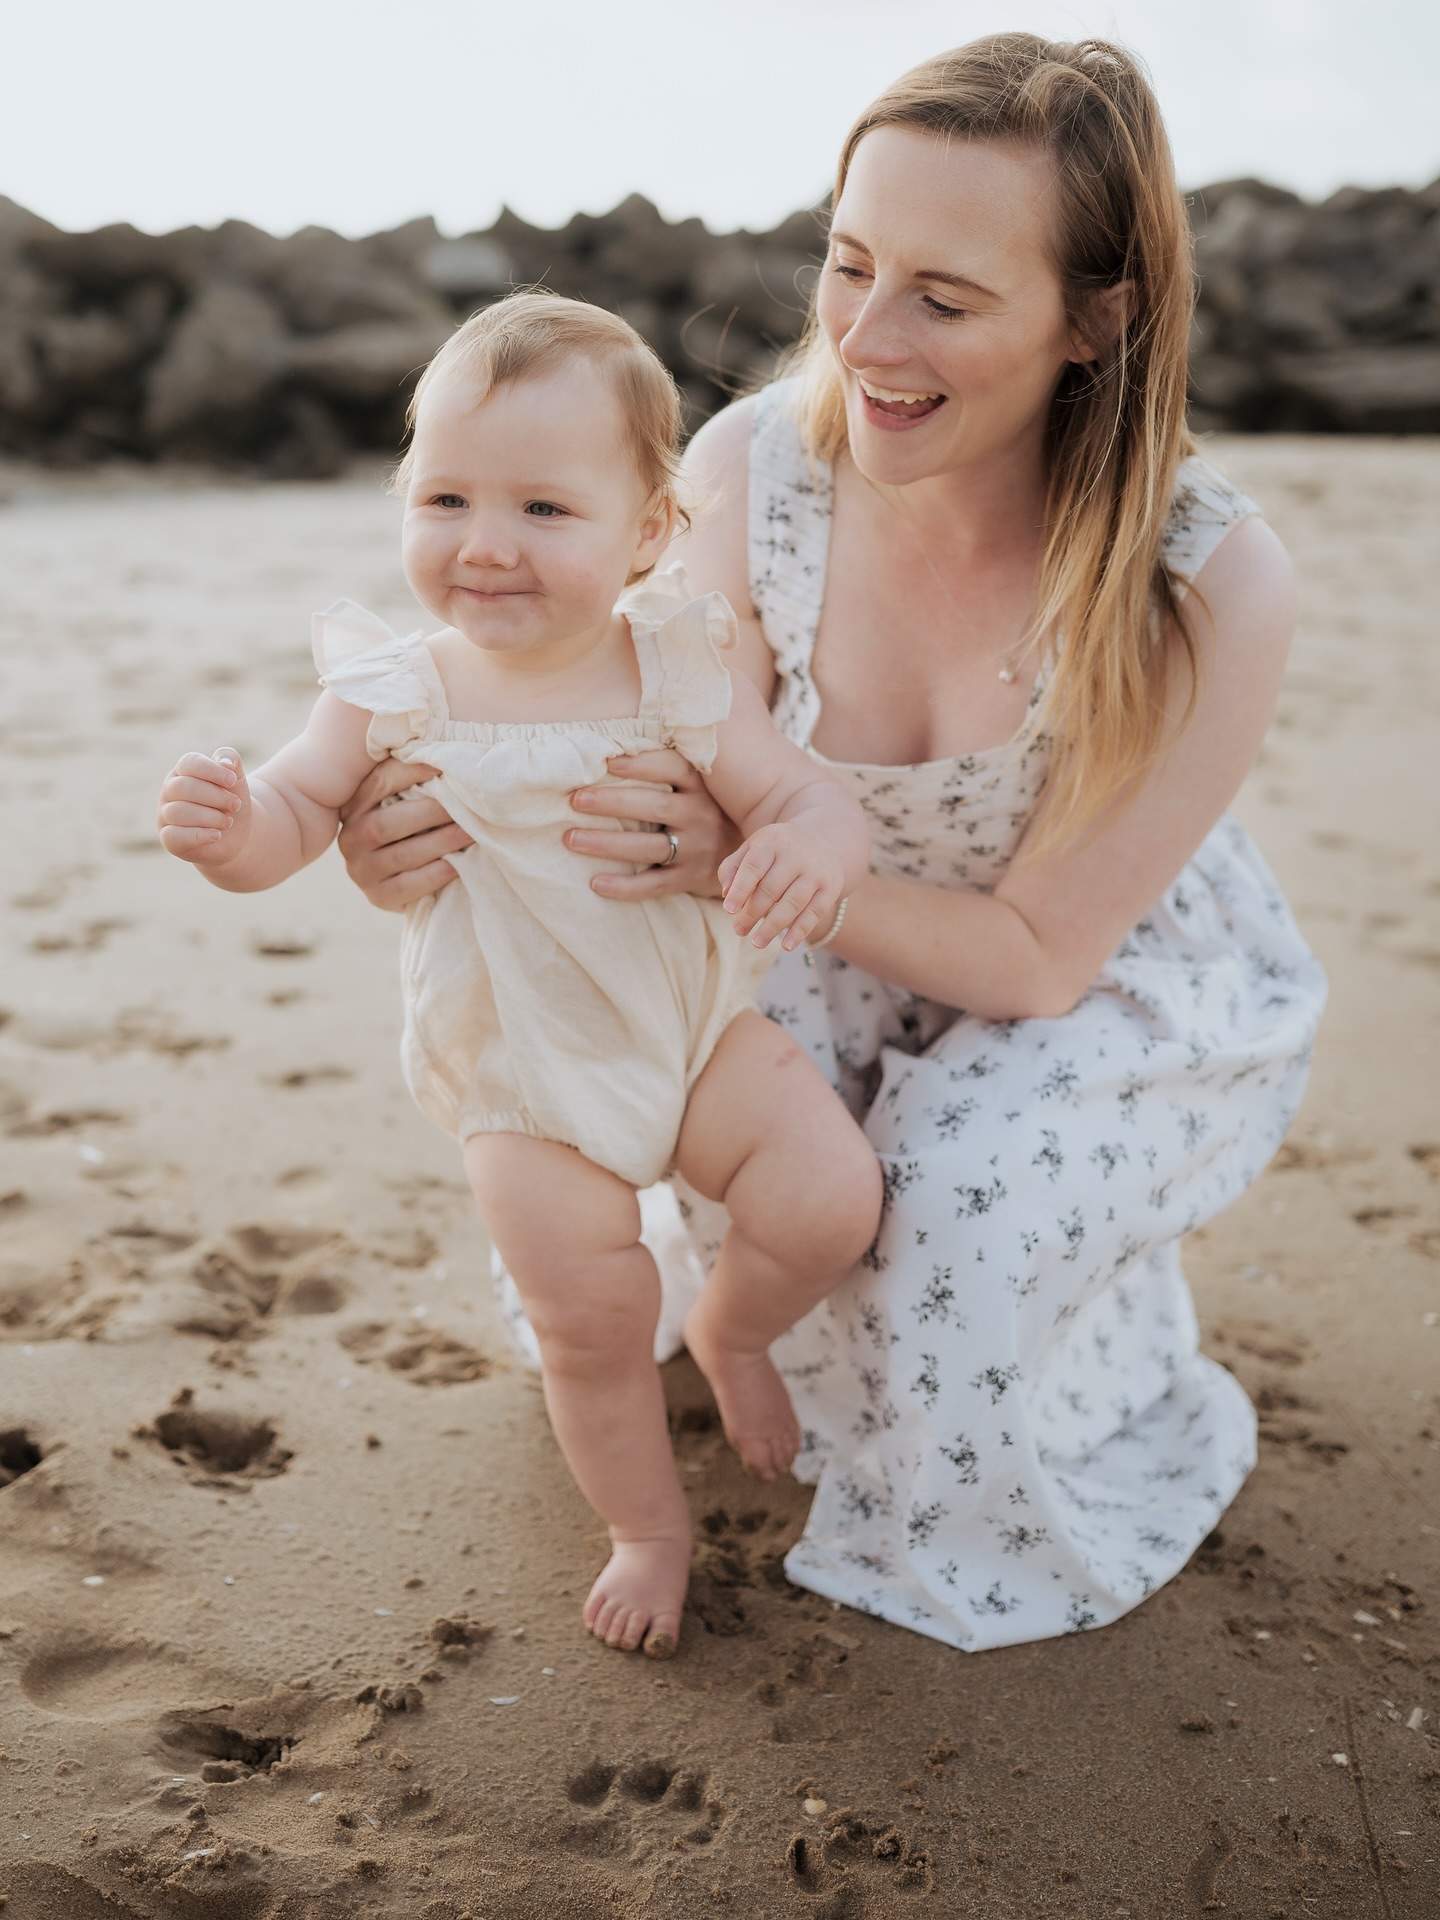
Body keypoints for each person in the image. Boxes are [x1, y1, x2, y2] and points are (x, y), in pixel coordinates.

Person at [335, 36, 1328, 1651]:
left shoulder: (1209, 583)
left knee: (960, 1209)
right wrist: (410, 840)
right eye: (849, 264)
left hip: (1070, 973)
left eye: (945, 294)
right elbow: (617, 749)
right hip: (791, 918)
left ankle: (1084, 1322)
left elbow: (1038, 951)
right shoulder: (749, 472)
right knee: (711, 1138)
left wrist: (761, 866)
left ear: (1101, 316)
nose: (864, 338)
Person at [156, 293, 883, 1660]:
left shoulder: (675, 665)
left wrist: (813, 847)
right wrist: (234, 828)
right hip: (524, 1075)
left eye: (545, 510)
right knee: (593, 1321)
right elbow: (298, 817)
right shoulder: (391, 689)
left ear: (649, 533)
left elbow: (805, 793)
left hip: (697, 1030)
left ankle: (732, 1330)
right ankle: (648, 1528)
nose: (485, 545)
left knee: (829, 1198)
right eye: (445, 499)